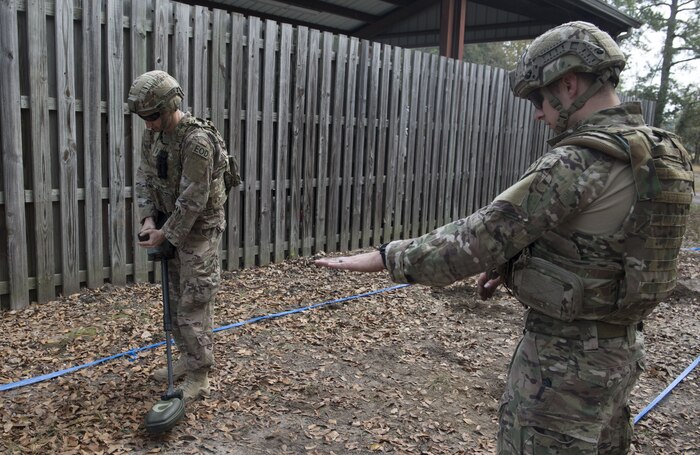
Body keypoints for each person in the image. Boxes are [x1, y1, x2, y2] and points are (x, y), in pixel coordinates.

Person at [315, 21, 694, 453]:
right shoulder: (664, 152)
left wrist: (387, 256)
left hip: (562, 369)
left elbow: (474, 240)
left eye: (539, 96)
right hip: (620, 354)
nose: (538, 111)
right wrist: (514, 264)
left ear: (569, 84)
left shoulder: (577, 161)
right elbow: (611, 246)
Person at [129, 70, 240, 401]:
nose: (147, 123)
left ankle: (199, 375)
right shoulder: (155, 136)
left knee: (194, 301)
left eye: (152, 116)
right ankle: (186, 358)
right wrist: (149, 221)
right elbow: (145, 177)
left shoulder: (197, 142)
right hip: (169, 225)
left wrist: (165, 233)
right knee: (175, 298)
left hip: (199, 230)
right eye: (143, 117)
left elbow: (194, 197)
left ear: (169, 106)